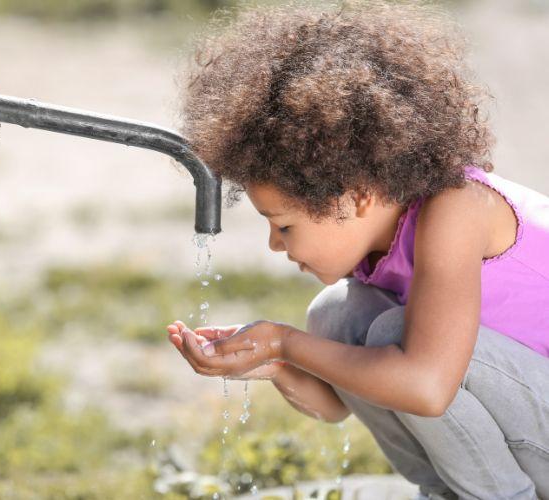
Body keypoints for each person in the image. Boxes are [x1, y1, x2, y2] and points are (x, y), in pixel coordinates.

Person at [165, 2, 549, 499]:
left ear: (356, 196)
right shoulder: (376, 246)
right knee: (334, 316)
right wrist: (275, 363)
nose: (275, 244)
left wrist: (285, 341)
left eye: (283, 225)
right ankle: (449, 492)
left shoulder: (457, 208)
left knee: (396, 337)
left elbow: (426, 389)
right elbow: (336, 403)